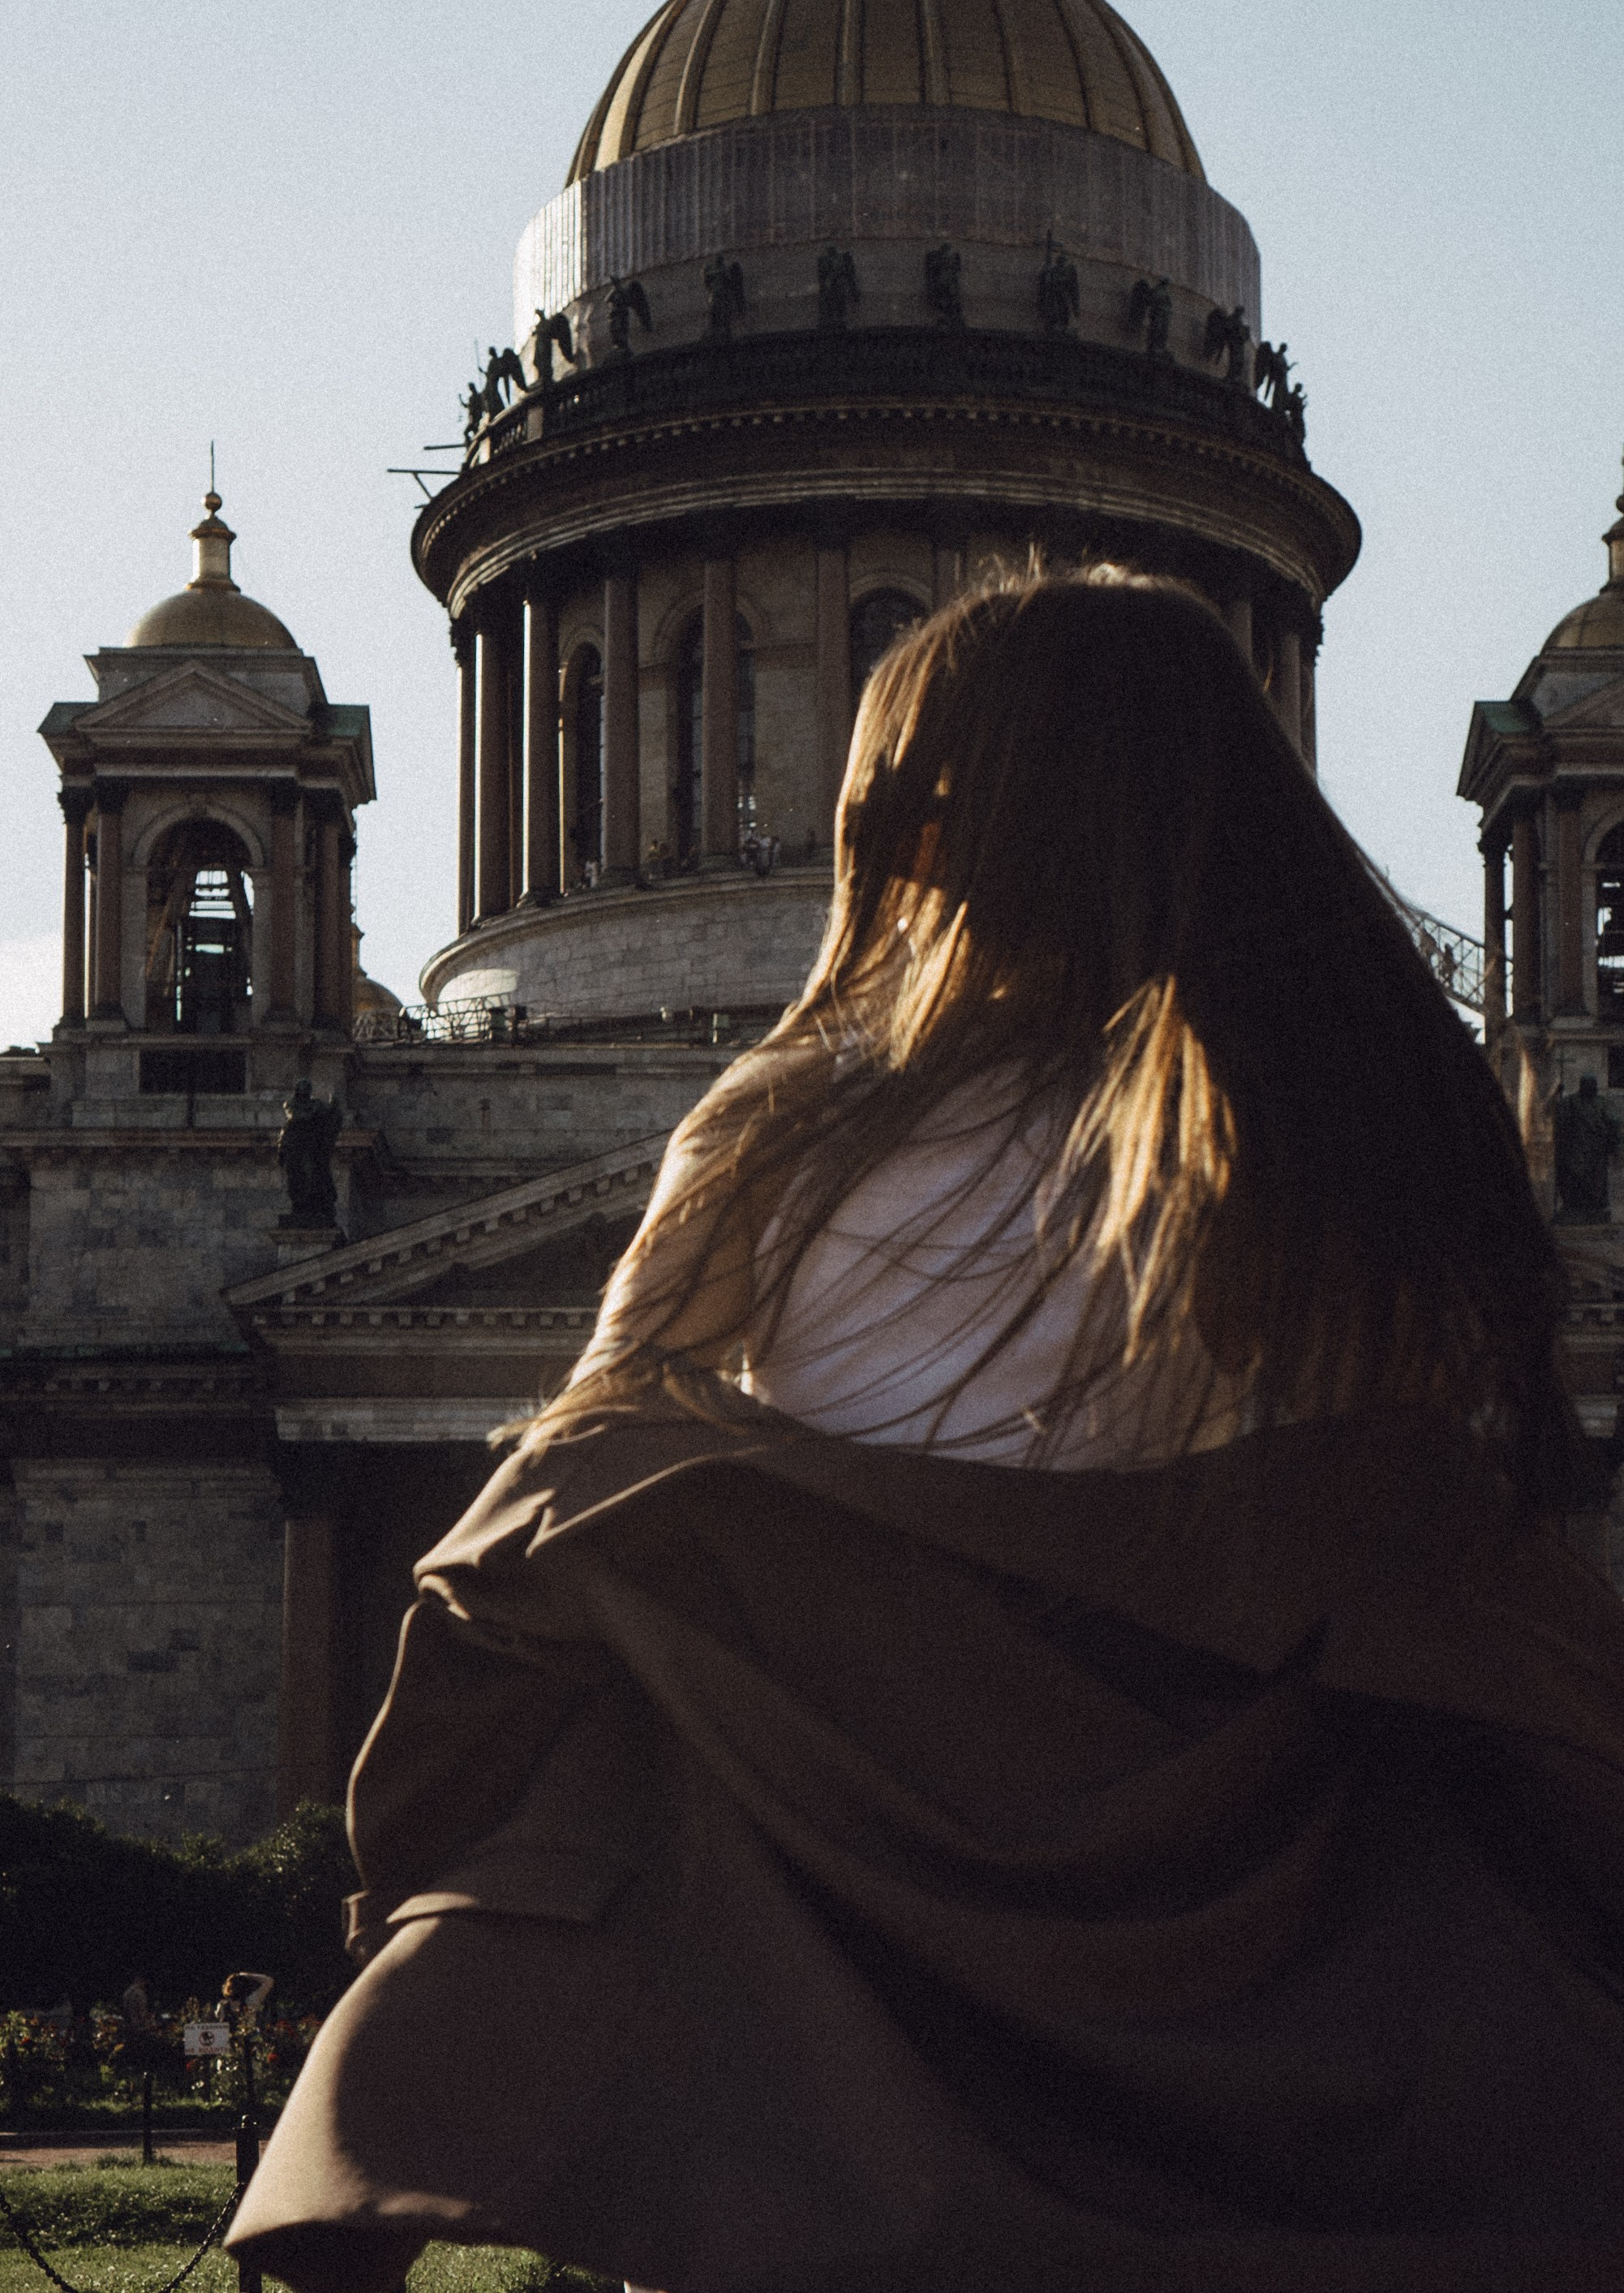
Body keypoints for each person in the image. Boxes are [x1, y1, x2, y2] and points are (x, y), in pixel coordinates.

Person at [232, 569, 1624, 2293]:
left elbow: (545, 1534)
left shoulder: (781, 1137)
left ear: (921, 811)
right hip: (1287, 2056)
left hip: (833, 2070)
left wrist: (422, 1937)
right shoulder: (1374, 1168)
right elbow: (1446, 1599)